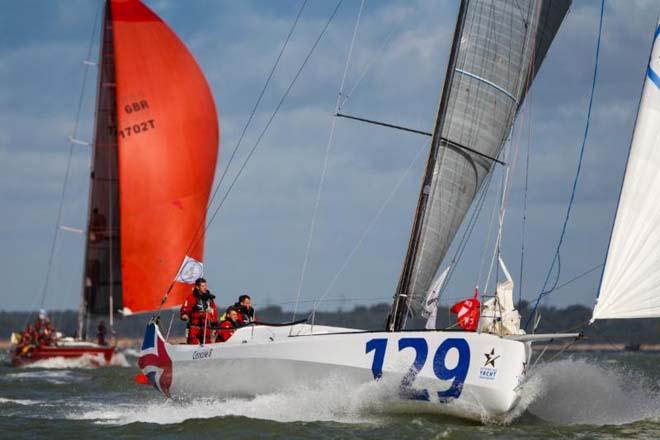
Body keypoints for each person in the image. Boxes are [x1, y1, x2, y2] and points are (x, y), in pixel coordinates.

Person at [180, 278, 218, 344]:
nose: (205, 288)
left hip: (206, 326)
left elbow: (213, 311)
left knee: (207, 344)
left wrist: (214, 325)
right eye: (203, 286)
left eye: (206, 286)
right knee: (193, 343)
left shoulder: (209, 299)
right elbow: (185, 309)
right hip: (194, 327)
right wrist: (184, 315)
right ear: (197, 287)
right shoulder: (192, 297)